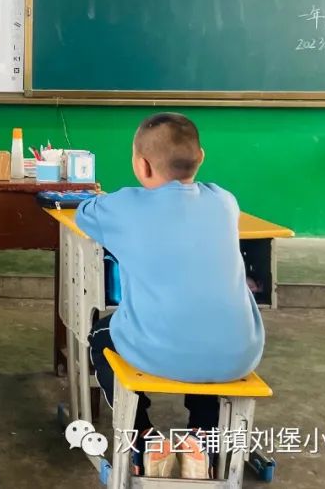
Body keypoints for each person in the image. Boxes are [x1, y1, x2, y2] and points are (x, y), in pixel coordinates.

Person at [77, 113, 264, 479]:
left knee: (100, 335)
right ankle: (201, 438)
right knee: (206, 327)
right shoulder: (225, 201)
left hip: (158, 351)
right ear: (201, 158)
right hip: (239, 355)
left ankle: (143, 437)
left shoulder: (124, 206)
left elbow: (85, 212)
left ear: (140, 164)